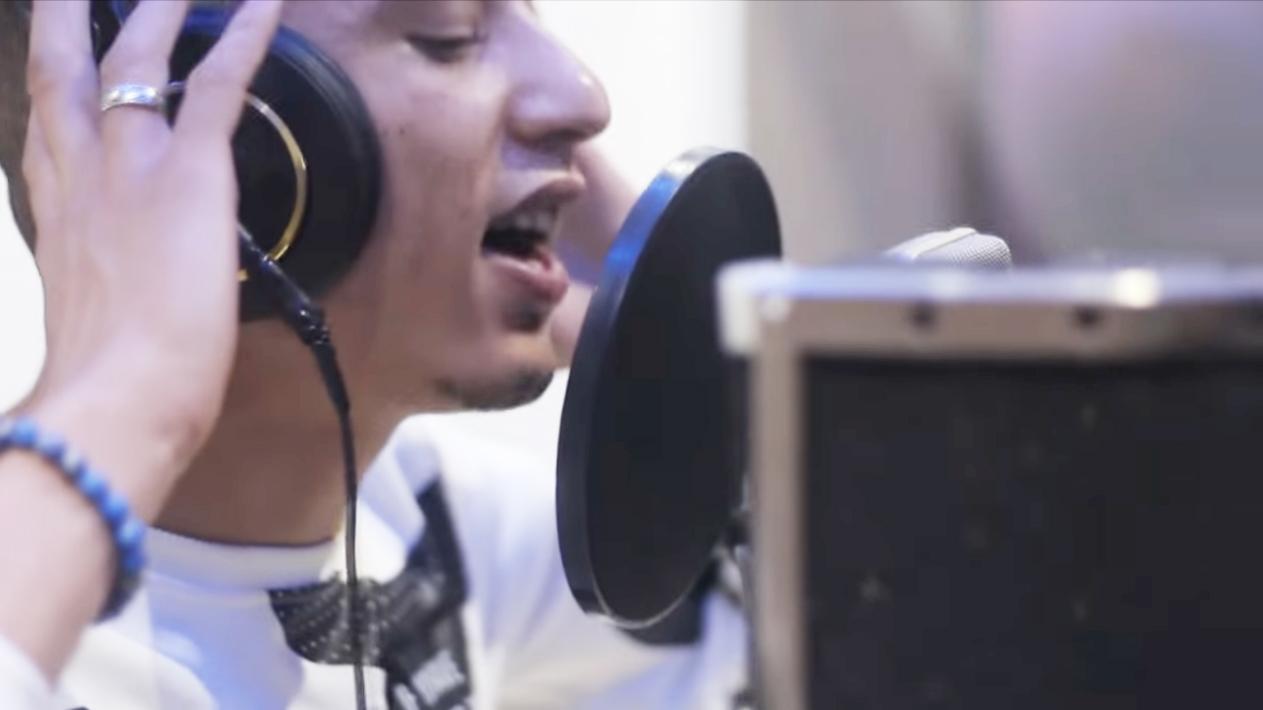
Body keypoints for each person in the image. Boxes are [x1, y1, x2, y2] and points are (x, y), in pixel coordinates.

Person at [0, 1, 747, 709]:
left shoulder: (428, 518)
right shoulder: (46, 645)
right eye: (448, 33)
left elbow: (786, 617)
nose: (582, 97)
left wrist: (661, 322)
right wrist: (127, 388)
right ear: (254, 152)